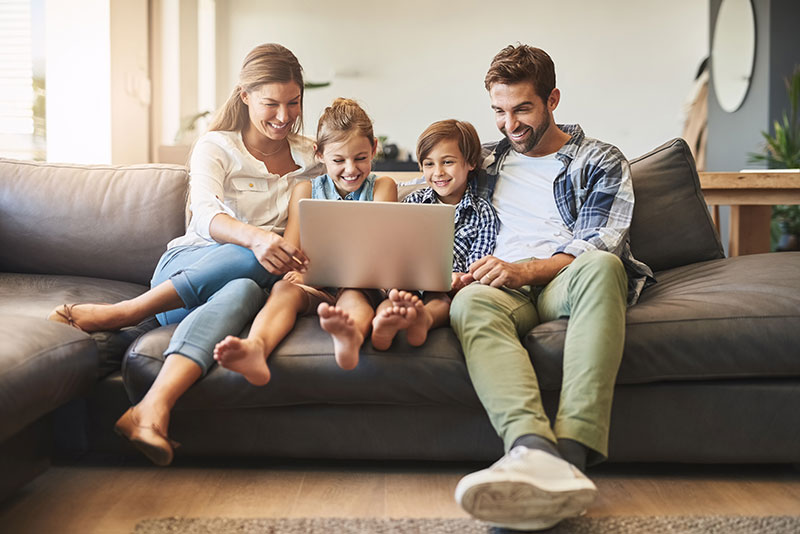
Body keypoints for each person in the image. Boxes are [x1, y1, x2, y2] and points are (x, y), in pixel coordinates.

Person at [47, 43, 323, 466]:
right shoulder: (217, 146)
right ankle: (126, 312)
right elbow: (205, 215)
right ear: (245, 95)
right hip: (189, 268)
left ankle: (151, 409)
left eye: (293, 103)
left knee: (246, 287)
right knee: (251, 256)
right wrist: (256, 238)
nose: (284, 116)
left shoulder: (312, 156)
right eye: (271, 103)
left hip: (249, 286)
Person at [449, 44, 655, 531]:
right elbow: (438, 203)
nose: (510, 124)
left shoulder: (599, 159)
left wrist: (525, 269)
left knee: (605, 265)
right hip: (501, 286)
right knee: (471, 302)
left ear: (552, 99)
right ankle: (531, 449)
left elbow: (601, 239)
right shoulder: (484, 162)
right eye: (499, 111)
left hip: (565, 278)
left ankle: (571, 453)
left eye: (522, 108)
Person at [213, 97, 397, 381]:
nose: (350, 169)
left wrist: (322, 273)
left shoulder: (384, 186)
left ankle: (349, 337)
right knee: (284, 291)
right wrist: (302, 273)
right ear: (319, 154)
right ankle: (256, 349)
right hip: (317, 285)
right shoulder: (305, 190)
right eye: (338, 160)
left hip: (361, 283)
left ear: (374, 149)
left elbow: (379, 251)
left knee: (352, 295)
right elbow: (292, 252)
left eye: (360, 158)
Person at [370, 119, 497, 350]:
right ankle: (383, 322)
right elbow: (395, 245)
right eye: (429, 164)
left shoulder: (482, 212)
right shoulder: (413, 201)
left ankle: (423, 320)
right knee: (393, 299)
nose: (438, 172)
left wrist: (462, 278)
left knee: (441, 303)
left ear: (470, 163)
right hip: (407, 280)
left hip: (445, 287)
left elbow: (478, 262)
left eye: (447, 162)